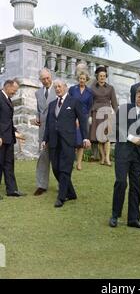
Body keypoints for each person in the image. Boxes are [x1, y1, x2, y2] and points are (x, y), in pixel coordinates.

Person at [109, 85, 140, 229]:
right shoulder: (124, 109)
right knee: (121, 182)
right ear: (135, 96)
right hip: (123, 151)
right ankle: (115, 215)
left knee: (136, 186)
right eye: (138, 96)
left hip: (138, 155)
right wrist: (131, 138)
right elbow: (117, 128)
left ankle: (133, 219)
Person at [42, 79, 91, 207]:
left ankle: (61, 197)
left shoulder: (74, 102)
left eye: (59, 86)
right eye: (55, 87)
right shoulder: (52, 104)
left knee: (65, 169)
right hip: (53, 141)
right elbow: (48, 124)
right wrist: (44, 139)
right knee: (56, 168)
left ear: (65, 87)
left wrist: (85, 138)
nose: (57, 89)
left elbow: (83, 120)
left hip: (68, 141)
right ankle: (71, 193)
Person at [0, 79, 26, 197]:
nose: (14, 93)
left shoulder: (8, 99)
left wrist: (15, 131)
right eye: (14, 91)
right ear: (7, 86)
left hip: (9, 138)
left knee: (9, 164)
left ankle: (12, 190)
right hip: (1, 139)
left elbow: (6, 120)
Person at [34, 68, 57, 196]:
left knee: (58, 158)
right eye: (43, 79)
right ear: (40, 80)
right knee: (43, 157)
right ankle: (41, 185)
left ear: (51, 77)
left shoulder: (58, 88)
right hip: (43, 130)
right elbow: (39, 109)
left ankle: (62, 185)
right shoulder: (38, 93)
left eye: (48, 78)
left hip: (56, 129)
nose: (46, 81)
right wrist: (37, 116)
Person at [90, 66, 118, 166]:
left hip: (107, 114)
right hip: (96, 113)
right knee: (99, 138)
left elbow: (114, 103)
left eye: (104, 76)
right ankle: (102, 158)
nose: (102, 77)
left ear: (106, 76)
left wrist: (115, 114)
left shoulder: (110, 88)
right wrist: (89, 115)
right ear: (97, 76)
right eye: (100, 76)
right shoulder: (92, 88)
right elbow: (90, 102)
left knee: (107, 137)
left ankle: (107, 158)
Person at [69, 71, 93, 170]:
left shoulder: (90, 92)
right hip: (72, 117)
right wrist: (73, 118)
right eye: (80, 78)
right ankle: (70, 162)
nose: (82, 80)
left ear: (86, 80)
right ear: (78, 79)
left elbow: (90, 106)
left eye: (84, 79)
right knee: (72, 141)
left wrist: (85, 118)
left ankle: (79, 163)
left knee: (81, 141)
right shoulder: (72, 89)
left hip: (83, 117)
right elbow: (69, 103)